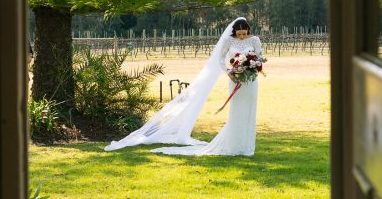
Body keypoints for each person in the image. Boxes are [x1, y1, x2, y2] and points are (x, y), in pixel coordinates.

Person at [104, 17, 264, 157]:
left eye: (244, 34)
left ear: (248, 30)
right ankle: (235, 145)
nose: (242, 37)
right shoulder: (229, 41)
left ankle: (246, 147)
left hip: (250, 81)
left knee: (249, 112)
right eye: (239, 34)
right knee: (236, 112)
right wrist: (230, 72)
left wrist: (252, 66)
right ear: (235, 32)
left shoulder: (254, 40)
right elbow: (221, 60)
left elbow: (260, 57)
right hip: (234, 79)